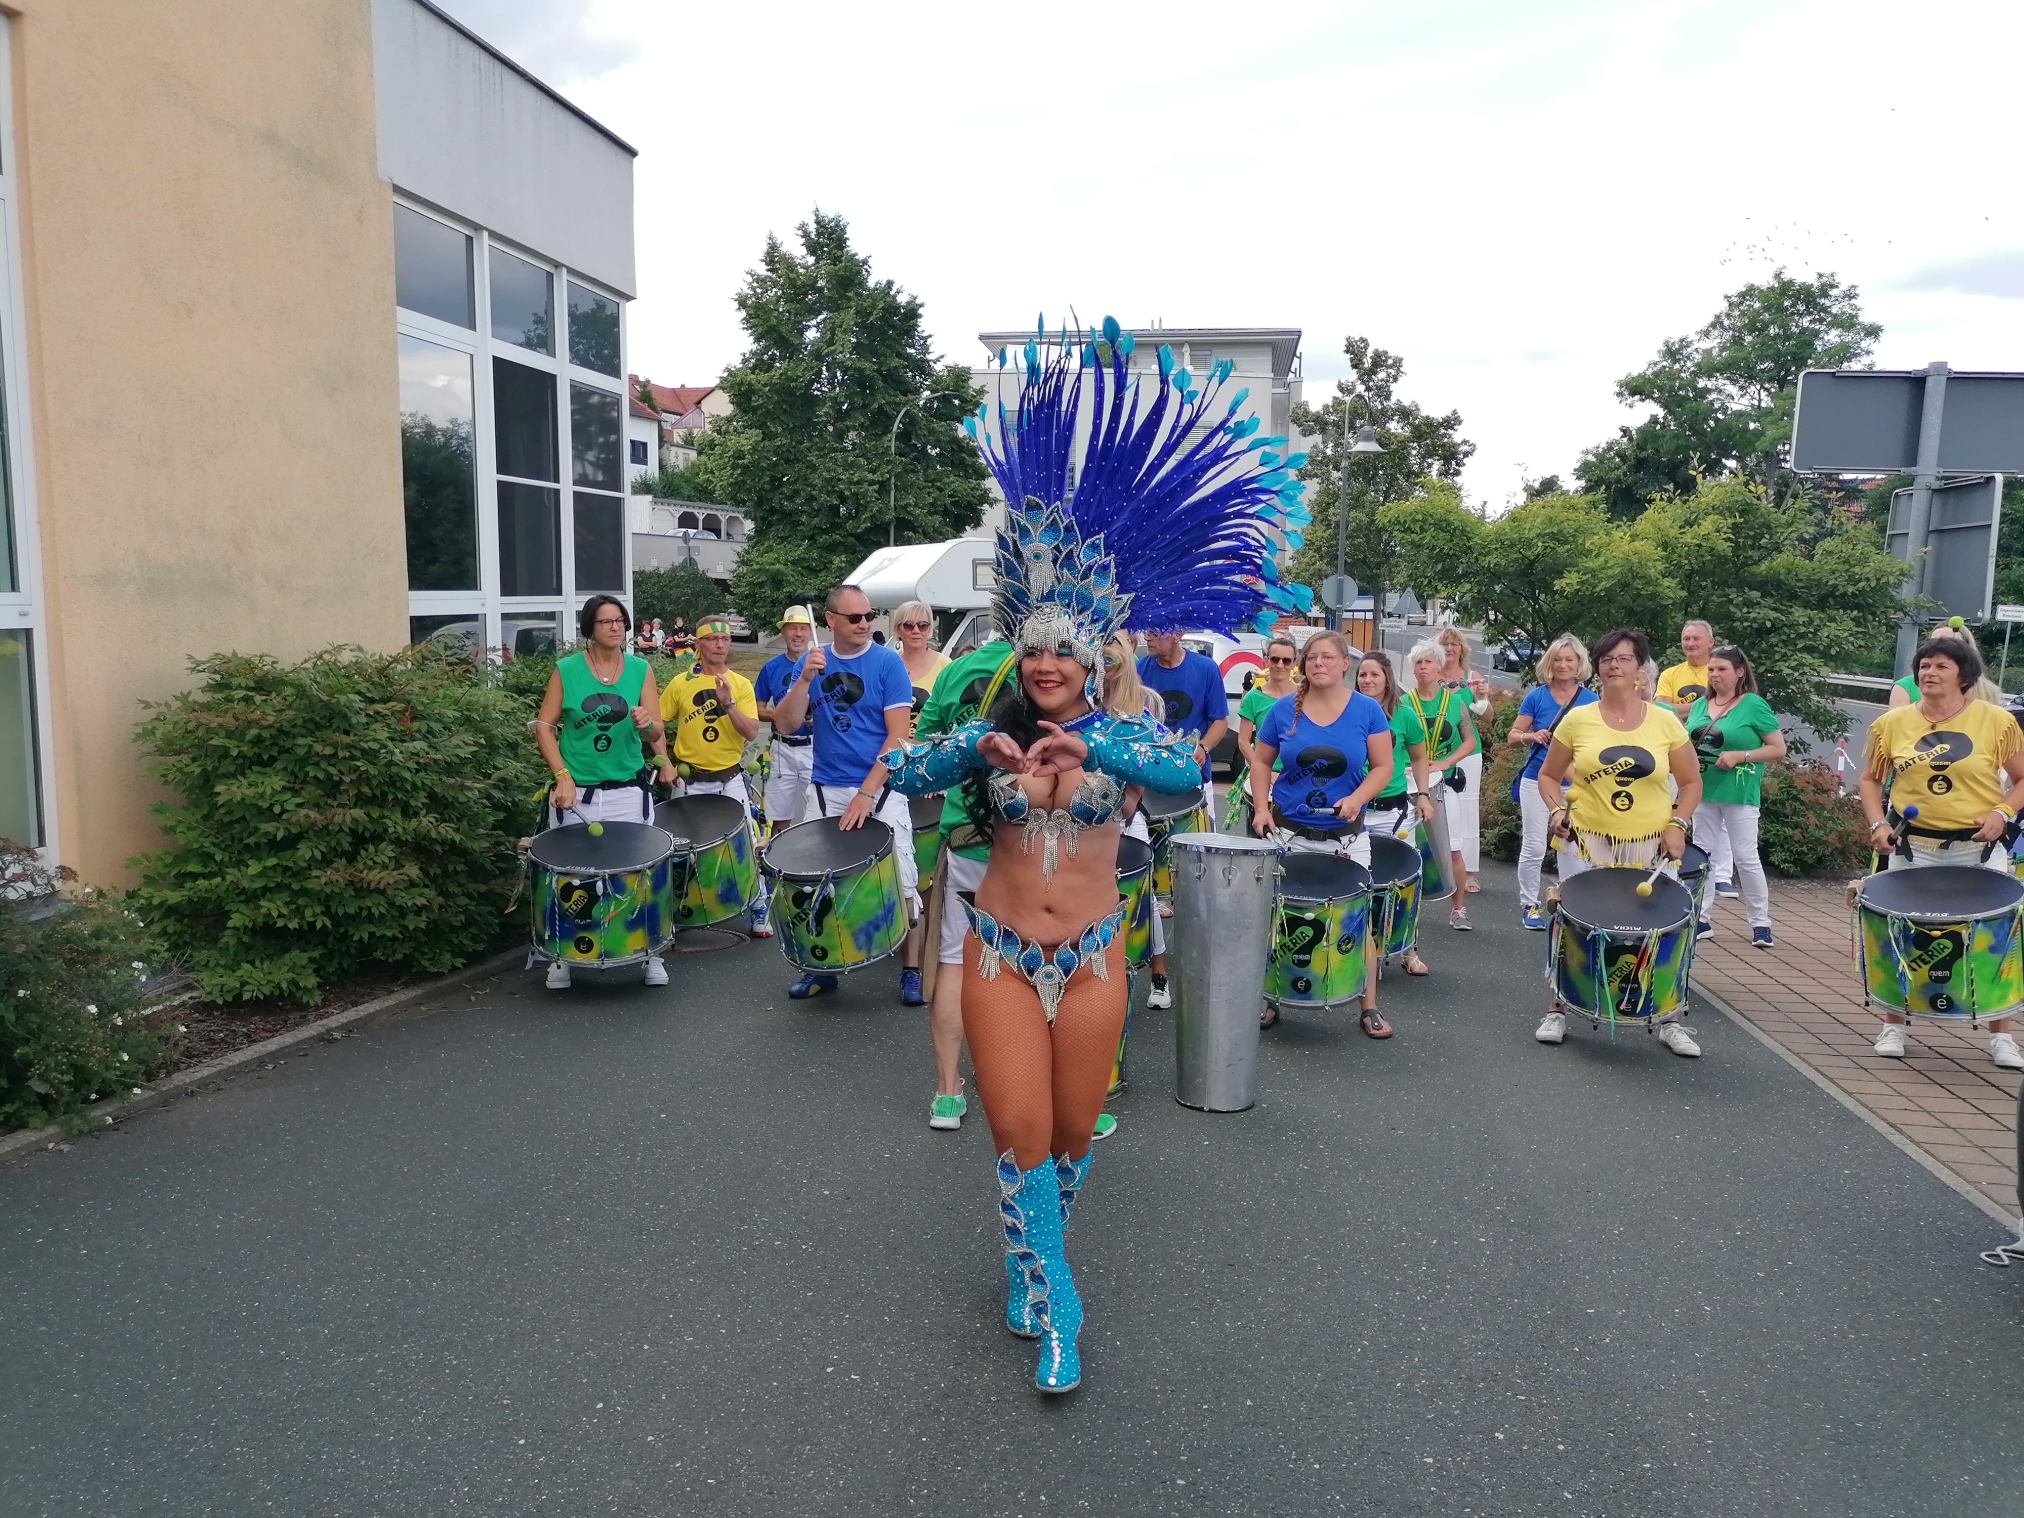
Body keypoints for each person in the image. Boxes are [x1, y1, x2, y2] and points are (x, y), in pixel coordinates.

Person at [883, 318, 1305, 1395]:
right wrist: (963, 758)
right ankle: (1058, 1297)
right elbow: (906, 776)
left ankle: (1033, 1252)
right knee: (1017, 1124)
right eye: (1032, 650)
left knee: (1073, 1130)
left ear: (1094, 655)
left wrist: (1097, 744)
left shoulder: (1134, 729)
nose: (1046, 664)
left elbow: (1177, 782)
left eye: (1064, 651)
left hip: (1097, 956)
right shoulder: (987, 727)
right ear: (1019, 656)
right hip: (995, 953)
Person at [1535, 627, 1703, 1056]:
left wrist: (1678, 824)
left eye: (1623, 658)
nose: (1614, 665)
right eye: (1607, 658)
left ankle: (1668, 1016)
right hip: (1586, 840)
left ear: (1640, 670)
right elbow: (1549, 776)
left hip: (1649, 843)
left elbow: (1690, 782)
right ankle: (1557, 1008)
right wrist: (1557, 812)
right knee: (1571, 922)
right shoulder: (1578, 719)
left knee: (1659, 928)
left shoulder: (1664, 722)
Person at [1859, 635, 2024, 1070]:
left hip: (1978, 850)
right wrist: (1879, 823)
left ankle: (2002, 1036)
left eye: (1941, 667)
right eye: (1925, 666)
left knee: (1995, 941)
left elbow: (2022, 779)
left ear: (1964, 677)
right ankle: (1893, 1024)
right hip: (1913, 849)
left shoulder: (1996, 721)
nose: (1929, 673)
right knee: (1904, 935)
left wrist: (2002, 811)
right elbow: (1871, 780)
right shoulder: (1892, 723)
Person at [769, 584, 924, 1005]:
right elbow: (786, 724)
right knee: (817, 884)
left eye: (868, 616)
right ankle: (820, 967)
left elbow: (897, 740)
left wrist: (866, 794)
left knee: (904, 882)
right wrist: (803, 678)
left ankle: (911, 971)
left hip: (882, 788)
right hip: (825, 789)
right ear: (830, 620)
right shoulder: (811, 661)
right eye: (854, 617)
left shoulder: (887, 664)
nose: (864, 624)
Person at [1248, 631, 1397, 1038]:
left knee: (1357, 918)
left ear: (1344, 663)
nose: (1319, 664)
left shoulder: (1367, 710)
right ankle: (1270, 997)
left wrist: (1358, 797)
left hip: (1346, 836)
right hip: (1289, 833)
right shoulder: (1282, 711)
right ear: (1303, 664)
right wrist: (1261, 809)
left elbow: (1383, 766)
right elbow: (1261, 763)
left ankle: (1368, 1007)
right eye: (1312, 658)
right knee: (1277, 915)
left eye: (1328, 657)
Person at [531, 595, 670, 991]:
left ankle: (649, 954)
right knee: (572, 877)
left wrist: (647, 724)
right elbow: (543, 725)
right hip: (577, 795)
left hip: (628, 790)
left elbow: (657, 733)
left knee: (639, 874)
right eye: (605, 621)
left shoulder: (641, 670)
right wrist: (561, 775)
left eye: (620, 621)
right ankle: (563, 957)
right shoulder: (567, 669)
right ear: (589, 628)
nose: (615, 627)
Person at [911, 634, 1015, 1133]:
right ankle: (1030, 1085)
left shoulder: (956, 670)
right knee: (1038, 961)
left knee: (955, 959)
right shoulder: (1058, 666)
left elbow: (925, 740)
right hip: (1031, 840)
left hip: (967, 832)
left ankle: (948, 1092)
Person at [1684, 644, 1785, 948]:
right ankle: (1700, 917)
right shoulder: (1701, 705)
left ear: (1739, 672)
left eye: (1722, 669)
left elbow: (1778, 749)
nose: (1715, 675)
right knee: (1703, 854)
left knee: (1745, 855)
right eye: (1711, 669)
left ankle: (1760, 922)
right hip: (1704, 788)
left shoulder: (1753, 705)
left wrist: (1741, 755)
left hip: (1739, 790)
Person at [1353, 651, 1434, 982]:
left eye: (1374, 674)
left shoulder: (1404, 716)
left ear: (1387, 678)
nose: (1367, 680)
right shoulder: (1347, 711)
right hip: (1355, 812)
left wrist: (1424, 795)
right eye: (1362, 675)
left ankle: (1408, 949)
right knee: (1358, 883)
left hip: (1394, 814)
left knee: (1403, 885)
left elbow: (1418, 756)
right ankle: (1358, 948)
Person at [1507, 634, 1596, 929]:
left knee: (1573, 847)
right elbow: (1513, 737)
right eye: (1557, 659)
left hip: (1576, 784)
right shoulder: (1537, 696)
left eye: (1569, 659)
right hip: (1537, 779)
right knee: (1534, 845)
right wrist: (1531, 736)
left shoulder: (1591, 700)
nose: (1563, 665)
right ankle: (1529, 904)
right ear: (1549, 663)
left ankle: (1572, 906)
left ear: (1579, 664)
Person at [1106, 635, 1174, 1021]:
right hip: (1082, 817)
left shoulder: (1147, 701)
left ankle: (1159, 976)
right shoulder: (1080, 696)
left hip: (1127, 815)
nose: (1107, 655)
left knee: (1140, 895)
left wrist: (1130, 801)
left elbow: (1152, 757)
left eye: (1115, 645)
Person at [752, 605, 820, 935]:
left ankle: (814, 877)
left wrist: (813, 717)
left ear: (810, 631)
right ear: (783, 632)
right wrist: (781, 714)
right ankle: (781, 878)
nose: (797, 634)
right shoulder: (771, 667)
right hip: (781, 748)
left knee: (817, 815)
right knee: (780, 817)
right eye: (792, 628)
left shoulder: (822, 661)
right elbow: (758, 708)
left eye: (803, 628)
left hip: (815, 748)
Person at [1404, 639, 1479, 930]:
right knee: (1410, 849)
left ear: (1439, 667)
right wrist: (1407, 765)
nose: (1423, 667)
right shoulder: (1403, 702)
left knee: (1454, 849)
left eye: (1428, 662)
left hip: (1444, 783)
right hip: (1410, 784)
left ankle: (1458, 908)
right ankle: (1407, 912)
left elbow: (1470, 740)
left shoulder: (1455, 702)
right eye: (1418, 663)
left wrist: (1447, 762)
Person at [655, 616, 760, 804]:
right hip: (687, 780)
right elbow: (655, 727)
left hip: (730, 781)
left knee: (739, 834)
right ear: (698, 643)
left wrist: (728, 703)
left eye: (725, 639)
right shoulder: (681, 683)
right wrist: (665, 763)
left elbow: (751, 733)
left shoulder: (741, 684)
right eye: (712, 639)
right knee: (683, 834)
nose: (720, 645)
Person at [1137, 628, 1229, 815]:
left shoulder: (1206, 668)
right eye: (1146, 631)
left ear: (1176, 635)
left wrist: (1203, 747)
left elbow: (1220, 720)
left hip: (1195, 776)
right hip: (1150, 778)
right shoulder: (1138, 671)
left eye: (1154, 633)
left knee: (1198, 842)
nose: (1147, 637)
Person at [1436, 627, 1490, 898]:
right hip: (1436, 754)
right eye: (1444, 644)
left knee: (1468, 809)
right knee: (1440, 810)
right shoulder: (1431, 676)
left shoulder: (1472, 678)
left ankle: (1469, 872)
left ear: (1462, 649)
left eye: (1454, 644)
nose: (1449, 649)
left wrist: (1481, 698)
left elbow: (1488, 716)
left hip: (1468, 753)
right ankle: (1445, 869)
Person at [1228, 637, 1298, 834]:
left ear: (1294, 664)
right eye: (1275, 659)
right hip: (1263, 778)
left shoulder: (1305, 696)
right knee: (1261, 837)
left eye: (1286, 661)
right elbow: (1243, 741)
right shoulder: (1253, 697)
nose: (1280, 665)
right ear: (1266, 661)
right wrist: (1263, 770)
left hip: (1296, 774)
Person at [894, 599, 950, 723]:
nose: (916, 631)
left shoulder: (945, 665)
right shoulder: (889, 665)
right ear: (898, 630)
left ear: (929, 630)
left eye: (923, 625)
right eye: (909, 625)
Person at [1656, 619, 1714, 721]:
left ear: (1711, 642)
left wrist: (1677, 710)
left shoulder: (1720, 672)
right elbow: (1661, 710)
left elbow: (1729, 706)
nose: (1690, 644)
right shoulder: (1669, 674)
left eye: (1696, 639)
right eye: (1686, 639)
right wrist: (1706, 706)